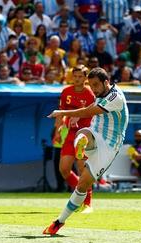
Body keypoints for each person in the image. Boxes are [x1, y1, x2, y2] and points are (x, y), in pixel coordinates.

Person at [45, 67, 129, 235]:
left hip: (110, 146)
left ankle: (60, 220)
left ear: (106, 82)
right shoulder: (100, 93)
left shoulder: (115, 97)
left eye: (96, 85)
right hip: (95, 131)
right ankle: (82, 144)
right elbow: (90, 108)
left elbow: (87, 111)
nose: (93, 89)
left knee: (83, 184)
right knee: (83, 133)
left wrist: (62, 113)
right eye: (90, 85)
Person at [55, 65, 95, 213]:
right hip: (70, 133)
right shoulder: (66, 92)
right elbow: (61, 112)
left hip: (85, 134)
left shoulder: (90, 94)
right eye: (75, 76)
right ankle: (80, 194)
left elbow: (94, 112)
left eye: (80, 76)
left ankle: (87, 203)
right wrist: (58, 130)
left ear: (85, 78)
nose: (77, 79)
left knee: (82, 168)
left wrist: (81, 114)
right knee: (64, 169)